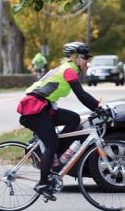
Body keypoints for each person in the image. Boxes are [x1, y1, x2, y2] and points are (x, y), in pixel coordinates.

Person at [17, 41, 103, 199]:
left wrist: (98, 107)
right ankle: (43, 183)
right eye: (85, 58)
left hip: (44, 107)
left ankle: (57, 154)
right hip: (34, 108)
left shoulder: (67, 69)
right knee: (51, 144)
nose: (87, 62)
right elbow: (81, 95)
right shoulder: (69, 70)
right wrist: (99, 107)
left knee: (74, 118)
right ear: (76, 57)